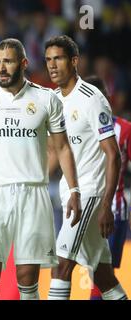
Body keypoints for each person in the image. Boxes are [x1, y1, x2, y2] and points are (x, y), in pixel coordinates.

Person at [0, 38, 81, 300]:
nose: (2, 67)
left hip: (33, 194)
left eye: (8, 61)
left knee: (27, 276)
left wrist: (75, 191)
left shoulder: (46, 99)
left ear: (23, 63)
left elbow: (63, 148)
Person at [45, 35, 128, 300]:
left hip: (88, 192)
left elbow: (112, 155)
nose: (52, 65)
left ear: (74, 61)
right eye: (48, 60)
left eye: (58, 58)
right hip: (68, 193)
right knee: (102, 275)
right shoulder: (53, 99)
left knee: (60, 266)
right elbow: (53, 151)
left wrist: (106, 205)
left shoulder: (92, 99)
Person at [84, 75, 131, 300]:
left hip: (114, 209)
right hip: (83, 205)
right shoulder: (77, 128)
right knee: (95, 271)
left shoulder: (125, 129)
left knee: (103, 270)